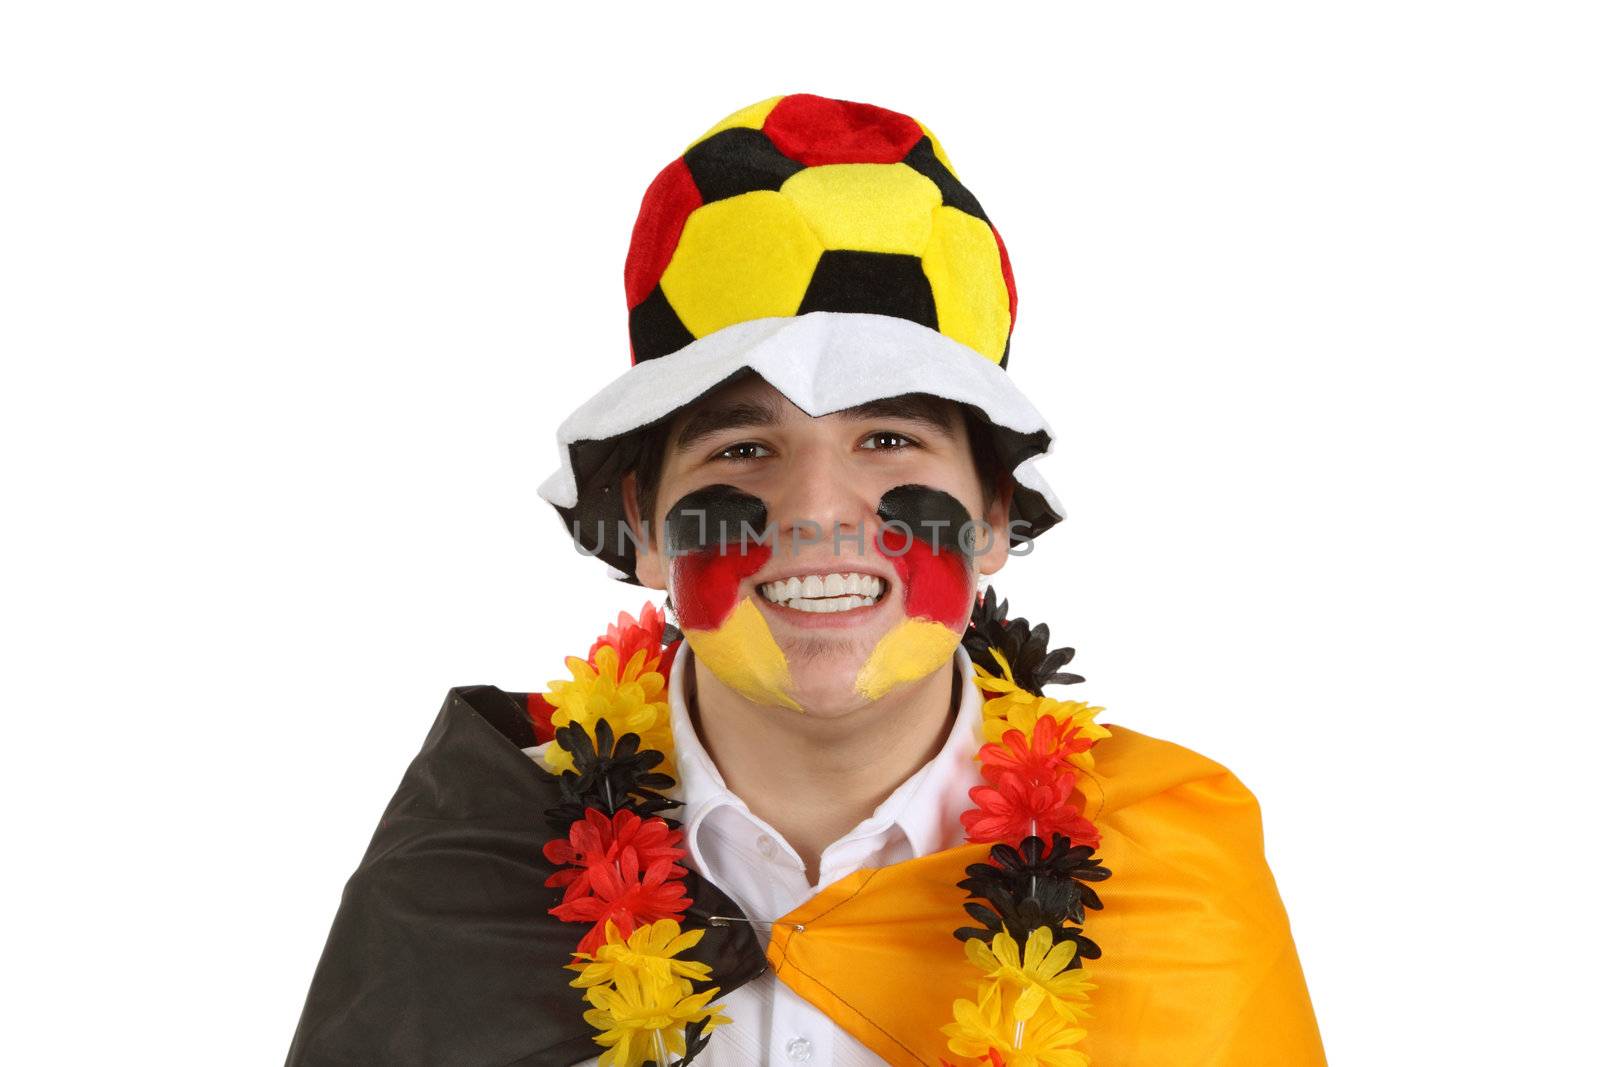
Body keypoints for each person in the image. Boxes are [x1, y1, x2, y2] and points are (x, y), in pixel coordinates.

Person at [285, 93, 1326, 1067]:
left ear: (995, 517)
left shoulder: (1167, 873)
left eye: (887, 438)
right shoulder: (473, 867)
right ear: (645, 528)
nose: (817, 509)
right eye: (741, 449)